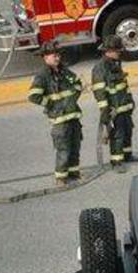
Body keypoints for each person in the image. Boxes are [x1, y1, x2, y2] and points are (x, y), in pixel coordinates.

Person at [28, 41, 83, 185]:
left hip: (73, 117)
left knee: (75, 147)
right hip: (60, 121)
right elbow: (33, 96)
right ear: (45, 58)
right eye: (54, 55)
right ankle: (61, 177)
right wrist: (52, 104)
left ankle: (73, 173)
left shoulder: (64, 71)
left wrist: (73, 96)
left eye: (58, 55)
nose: (57, 58)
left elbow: (78, 83)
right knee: (63, 150)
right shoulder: (42, 76)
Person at [91, 35, 137, 170]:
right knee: (117, 135)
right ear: (109, 51)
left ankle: (127, 155)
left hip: (124, 106)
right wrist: (105, 110)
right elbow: (99, 92)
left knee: (128, 131)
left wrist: (130, 100)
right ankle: (116, 161)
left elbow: (123, 85)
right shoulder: (100, 68)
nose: (120, 53)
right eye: (117, 51)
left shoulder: (116, 63)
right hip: (114, 109)